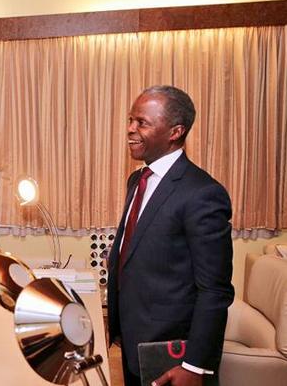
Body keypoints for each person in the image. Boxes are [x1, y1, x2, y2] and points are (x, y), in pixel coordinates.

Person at [107, 85, 234, 386]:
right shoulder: (137, 179)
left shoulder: (203, 193)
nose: (130, 129)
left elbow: (214, 290)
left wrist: (194, 366)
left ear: (175, 131)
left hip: (171, 355)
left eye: (142, 122)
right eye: (130, 120)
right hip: (133, 339)